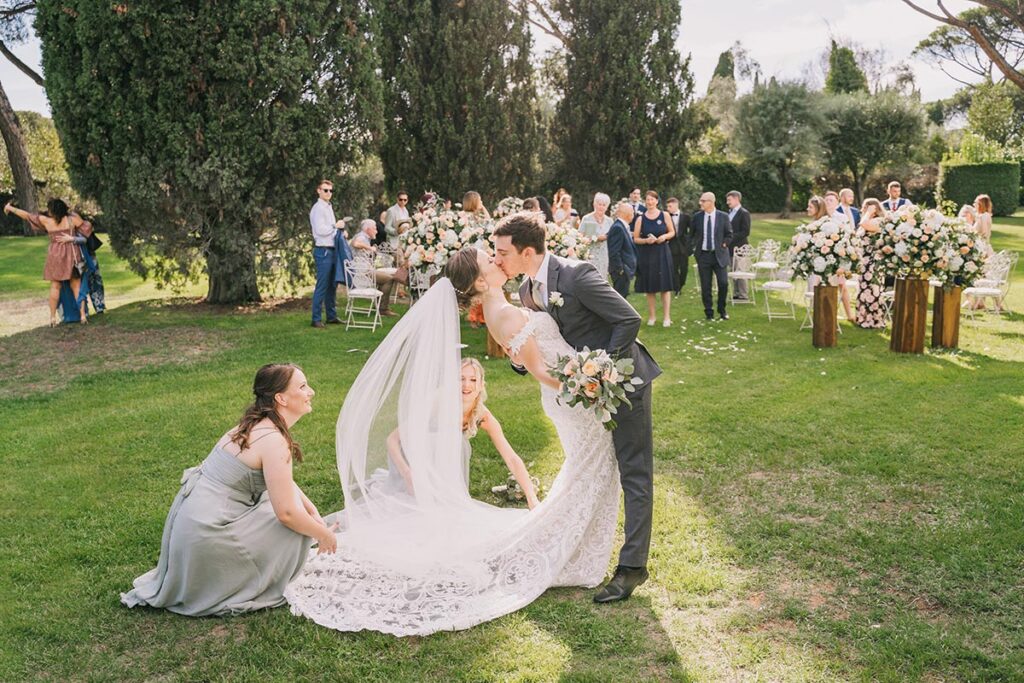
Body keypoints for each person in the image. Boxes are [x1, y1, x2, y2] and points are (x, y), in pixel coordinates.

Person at [492, 213, 661, 603]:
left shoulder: (577, 275)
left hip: (625, 383)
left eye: (502, 252)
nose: (497, 258)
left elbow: (628, 320)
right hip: (584, 395)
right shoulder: (526, 293)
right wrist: (520, 359)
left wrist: (602, 370)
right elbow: (543, 343)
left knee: (634, 473)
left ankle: (632, 568)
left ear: (527, 251)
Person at [122, 364, 335, 616]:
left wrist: (312, 511)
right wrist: (323, 535)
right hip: (208, 535)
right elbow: (287, 513)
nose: (311, 391)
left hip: (193, 528)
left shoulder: (255, 425)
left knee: (295, 513)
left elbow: (283, 482)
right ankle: (242, 581)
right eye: (302, 386)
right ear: (281, 398)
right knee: (296, 529)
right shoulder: (272, 440)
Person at [5, 198, 89, 326]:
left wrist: (10, 208)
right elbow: (87, 233)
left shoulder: (47, 221)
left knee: (55, 286)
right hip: (72, 255)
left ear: (53, 211)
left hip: (55, 256)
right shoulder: (72, 220)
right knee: (76, 286)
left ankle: (52, 318)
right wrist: (72, 237)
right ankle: (82, 315)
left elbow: (27, 216)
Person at [632, 190, 675, 327]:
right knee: (650, 287)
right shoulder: (640, 218)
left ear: (657, 201)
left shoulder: (665, 215)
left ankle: (667, 317)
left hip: (662, 252)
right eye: (648, 200)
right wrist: (646, 241)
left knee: (665, 286)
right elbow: (636, 238)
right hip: (648, 254)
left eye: (652, 200)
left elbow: (672, 232)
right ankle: (652, 316)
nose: (650, 202)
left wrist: (664, 237)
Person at [689, 192, 733, 321]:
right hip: (703, 256)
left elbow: (729, 234)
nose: (700, 203)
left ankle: (722, 309)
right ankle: (709, 312)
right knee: (706, 286)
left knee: (723, 283)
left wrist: (724, 244)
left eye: (703, 201)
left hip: (719, 255)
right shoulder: (697, 217)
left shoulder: (723, 216)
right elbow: (691, 235)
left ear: (711, 202)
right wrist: (693, 248)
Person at [309, 180, 345, 328]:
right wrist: (335, 226)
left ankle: (331, 316)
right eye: (325, 190)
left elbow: (330, 230)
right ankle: (316, 319)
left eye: (331, 191)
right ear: (318, 191)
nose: (328, 193)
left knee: (332, 285)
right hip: (323, 251)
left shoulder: (328, 207)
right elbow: (320, 230)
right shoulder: (318, 209)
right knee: (322, 285)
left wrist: (339, 231)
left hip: (331, 250)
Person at [350, 219, 397, 316]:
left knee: (385, 277)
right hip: (362, 273)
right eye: (375, 228)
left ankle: (379, 306)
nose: (376, 231)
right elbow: (355, 244)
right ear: (368, 229)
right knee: (389, 279)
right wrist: (370, 248)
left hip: (363, 270)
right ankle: (383, 309)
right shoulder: (362, 237)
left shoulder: (364, 237)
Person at [855, 198, 887, 329]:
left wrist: (869, 212)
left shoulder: (877, 221)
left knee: (871, 289)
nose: (862, 210)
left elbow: (863, 224)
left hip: (873, 261)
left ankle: (873, 320)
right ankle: (863, 318)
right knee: (864, 289)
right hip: (865, 260)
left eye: (865, 207)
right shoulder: (868, 220)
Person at [823, 192, 855, 320]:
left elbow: (847, 234)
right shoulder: (821, 216)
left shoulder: (842, 217)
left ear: (837, 203)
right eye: (826, 200)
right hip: (823, 254)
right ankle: (827, 314)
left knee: (841, 285)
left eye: (831, 200)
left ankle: (849, 314)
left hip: (838, 255)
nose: (828, 202)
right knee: (825, 285)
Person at [579, 192, 613, 279]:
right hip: (590, 253)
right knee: (590, 278)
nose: (601, 207)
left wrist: (607, 237)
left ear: (607, 207)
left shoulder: (609, 221)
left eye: (604, 205)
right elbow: (580, 236)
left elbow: (612, 236)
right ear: (594, 204)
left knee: (602, 279)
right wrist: (596, 238)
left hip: (604, 254)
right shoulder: (587, 218)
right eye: (599, 204)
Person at [607, 202, 637, 299]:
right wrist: (621, 270)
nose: (633, 215)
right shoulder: (618, 228)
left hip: (625, 270)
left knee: (623, 298)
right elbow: (614, 252)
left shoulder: (622, 226)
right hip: (621, 271)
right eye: (632, 213)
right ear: (627, 214)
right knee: (620, 299)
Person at [726, 191, 751, 301]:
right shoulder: (729, 213)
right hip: (731, 248)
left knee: (740, 270)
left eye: (729, 200)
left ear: (736, 199)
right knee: (733, 270)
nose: (727, 202)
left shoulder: (744, 213)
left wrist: (731, 237)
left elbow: (745, 231)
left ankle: (743, 295)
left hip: (741, 247)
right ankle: (736, 293)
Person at [665, 197, 690, 295]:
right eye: (667, 206)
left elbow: (691, 231)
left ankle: (681, 284)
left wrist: (689, 243)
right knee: (674, 268)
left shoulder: (686, 217)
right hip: (672, 245)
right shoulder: (666, 217)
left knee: (684, 269)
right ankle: (676, 288)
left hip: (684, 246)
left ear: (676, 205)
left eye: (670, 206)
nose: (668, 208)